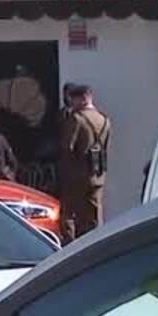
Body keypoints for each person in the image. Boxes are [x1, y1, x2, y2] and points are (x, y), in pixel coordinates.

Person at [57, 83, 112, 242]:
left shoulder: (77, 119)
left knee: (69, 213)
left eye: (74, 99)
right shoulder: (105, 120)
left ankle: (72, 246)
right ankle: (96, 242)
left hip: (76, 176)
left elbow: (67, 147)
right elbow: (106, 148)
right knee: (95, 213)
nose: (72, 103)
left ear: (83, 99)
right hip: (97, 174)